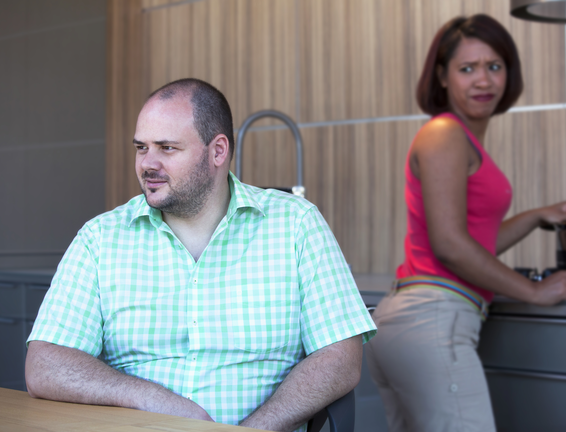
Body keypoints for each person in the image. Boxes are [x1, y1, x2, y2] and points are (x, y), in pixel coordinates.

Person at [25, 78, 377, 432]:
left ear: (218, 151)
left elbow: (341, 357)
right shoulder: (99, 239)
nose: (148, 163)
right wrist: (154, 400)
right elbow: (44, 364)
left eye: (167, 148)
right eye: (141, 147)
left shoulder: (296, 225)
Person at [364, 14, 566, 432]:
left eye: (494, 66)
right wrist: (534, 292)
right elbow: (450, 245)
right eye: (467, 69)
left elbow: (471, 240)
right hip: (432, 319)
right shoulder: (445, 134)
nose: (483, 80)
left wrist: (536, 215)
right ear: (442, 77)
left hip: (413, 321)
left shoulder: (459, 139)